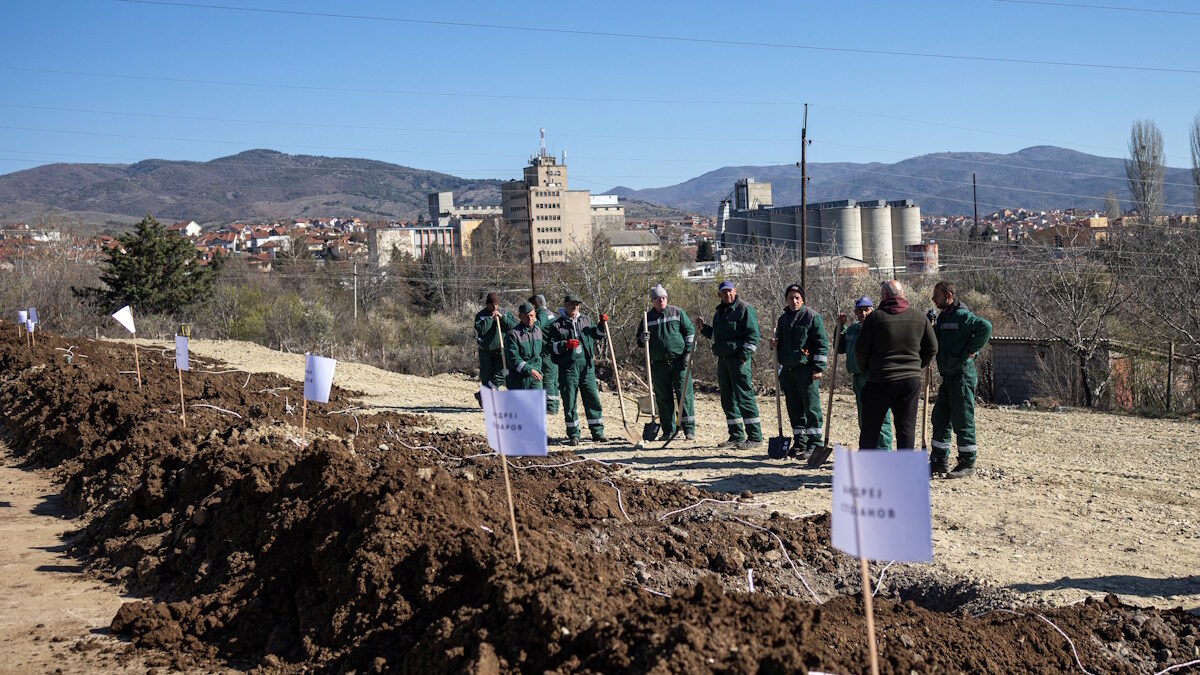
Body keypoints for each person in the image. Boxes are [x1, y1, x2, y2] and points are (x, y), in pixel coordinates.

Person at [854, 280, 937, 452]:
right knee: (906, 429)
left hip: (879, 380)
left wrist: (867, 370)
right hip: (909, 381)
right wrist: (916, 365)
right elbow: (932, 347)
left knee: (871, 428)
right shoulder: (919, 317)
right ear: (902, 295)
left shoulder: (875, 318)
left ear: (884, 296)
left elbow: (860, 350)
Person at [930, 280, 994, 479]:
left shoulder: (962, 316)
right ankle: (939, 461)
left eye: (937, 295)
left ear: (948, 296)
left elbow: (986, 327)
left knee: (962, 419)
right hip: (948, 377)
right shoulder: (942, 317)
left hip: (962, 377)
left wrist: (971, 351)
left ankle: (967, 462)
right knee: (940, 418)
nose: (933, 299)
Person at [697, 280, 762, 448]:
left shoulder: (744, 308)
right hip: (723, 361)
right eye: (724, 292)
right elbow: (717, 337)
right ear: (719, 295)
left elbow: (753, 336)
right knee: (727, 399)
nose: (727, 295)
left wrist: (743, 356)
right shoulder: (719, 313)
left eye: (730, 291)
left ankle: (755, 437)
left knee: (744, 397)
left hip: (738, 361)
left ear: (735, 290)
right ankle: (736, 435)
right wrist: (704, 328)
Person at [769, 284, 828, 458]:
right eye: (790, 298)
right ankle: (800, 442)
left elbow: (822, 345)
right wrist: (774, 345)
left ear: (802, 299)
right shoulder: (783, 319)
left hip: (806, 371)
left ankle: (814, 444)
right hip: (788, 371)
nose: (794, 301)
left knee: (811, 408)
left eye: (797, 298)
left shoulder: (811, 317)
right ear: (786, 300)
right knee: (793, 408)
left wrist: (818, 368)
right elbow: (780, 343)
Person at [546, 294, 608, 445]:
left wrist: (601, 324)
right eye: (572, 304)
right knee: (570, 401)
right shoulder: (557, 325)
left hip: (586, 366)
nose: (575, 307)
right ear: (565, 305)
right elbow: (550, 347)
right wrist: (564, 345)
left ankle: (597, 432)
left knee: (592, 398)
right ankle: (574, 434)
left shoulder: (585, 320)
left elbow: (598, 335)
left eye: (577, 304)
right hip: (568, 368)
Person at [636, 284, 696, 441]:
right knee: (663, 398)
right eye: (657, 298)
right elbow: (639, 340)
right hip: (658, 364)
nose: (661, 300)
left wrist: (688, 353)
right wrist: (643, 339)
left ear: (666, 299)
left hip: (680, 362)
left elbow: (690, 332)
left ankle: (688, 430)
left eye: (663, 298)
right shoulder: (647, 318)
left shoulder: (677, 313)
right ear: (653, 301)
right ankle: (668, 431)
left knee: (684, 396)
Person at [837, 296, 894, 450]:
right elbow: (840, 347)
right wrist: (840, 327)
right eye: (860, 310)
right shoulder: (853, 330)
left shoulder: (878, 328)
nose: (863, 313)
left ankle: (883, 451)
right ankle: (869, 449)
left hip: (874, 379)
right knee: (864, 417)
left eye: (866, 310)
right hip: (857, 379)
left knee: (880, 417)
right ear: (855, 312)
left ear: (872, 310)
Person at [473, 292, 518, 397]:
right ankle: (486, 400)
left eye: (496, 304)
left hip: (501, 350)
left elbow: (514, 327)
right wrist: (490, 319)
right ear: (487, 304)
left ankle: (483, 394)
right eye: (492, 305)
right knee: (486, 375)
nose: (495, 307)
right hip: (486, 351)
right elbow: (481, 329)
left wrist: (503, 318)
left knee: (502, 372)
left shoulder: (505, 312)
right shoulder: (481, 315)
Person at [504, 302, 546, 392]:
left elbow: (540, 354)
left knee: (536, 405)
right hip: (518, 380)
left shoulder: (538, 331)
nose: (530, 319)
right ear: (520, 316)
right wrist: (529, 370)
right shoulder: (513, 334)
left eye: (532, 315)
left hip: (535, 378)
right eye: (527, 316)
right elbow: (513, 358)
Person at [529, 294, 560, 413]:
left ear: (534, 305)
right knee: (554, 380)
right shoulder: (551, 314)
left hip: (547, 352)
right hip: (554, 351)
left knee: (547, 379)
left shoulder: (542, 314)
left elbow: (535, 327)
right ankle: (555, 406)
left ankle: (550, 407)